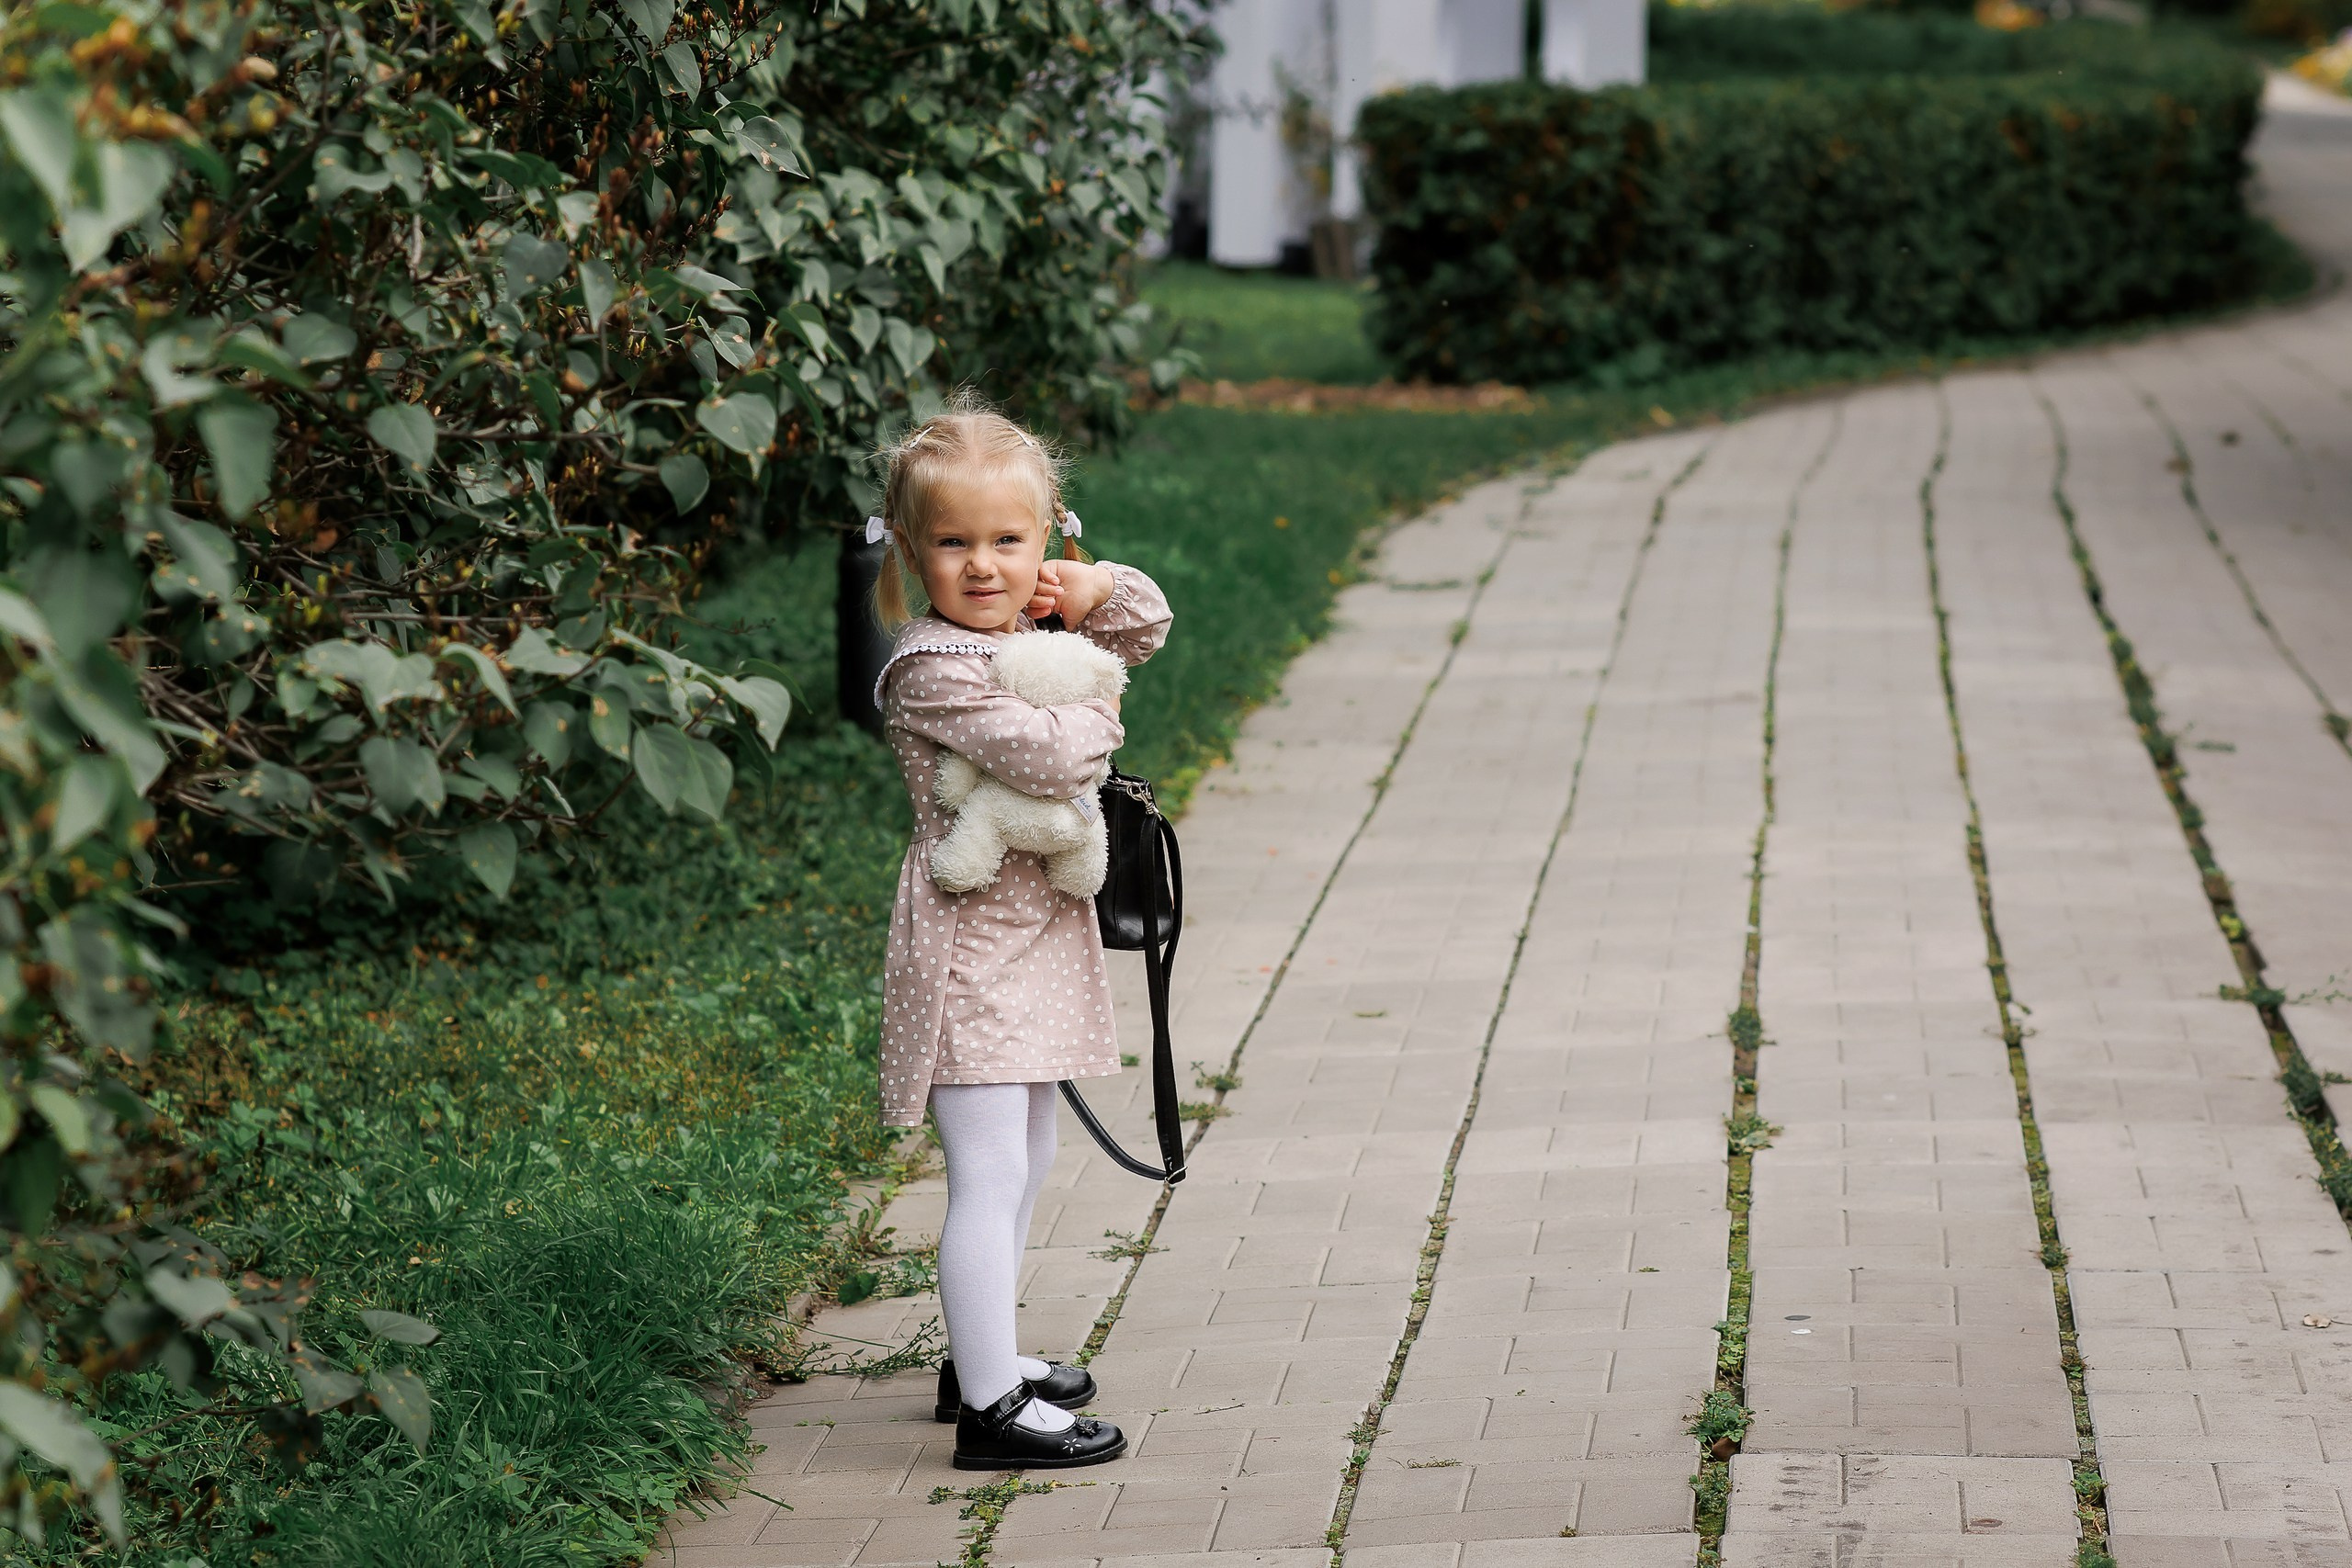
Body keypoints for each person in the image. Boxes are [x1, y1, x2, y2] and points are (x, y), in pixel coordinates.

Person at [866, 398, 1171, 1470]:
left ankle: (981, 1351)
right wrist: (1100, 704)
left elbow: (1141, 626)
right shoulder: (933, 665)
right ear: (911, 549)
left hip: (1032, 943)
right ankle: (992, 1413)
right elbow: (1053, 763)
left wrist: (1096, 592)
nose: (984, 566)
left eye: (1010, 541)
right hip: (970, 955)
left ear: (1047, 538)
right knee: (989, 1173)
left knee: (1030, 1153)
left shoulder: (1028, 625)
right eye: (954, 544)